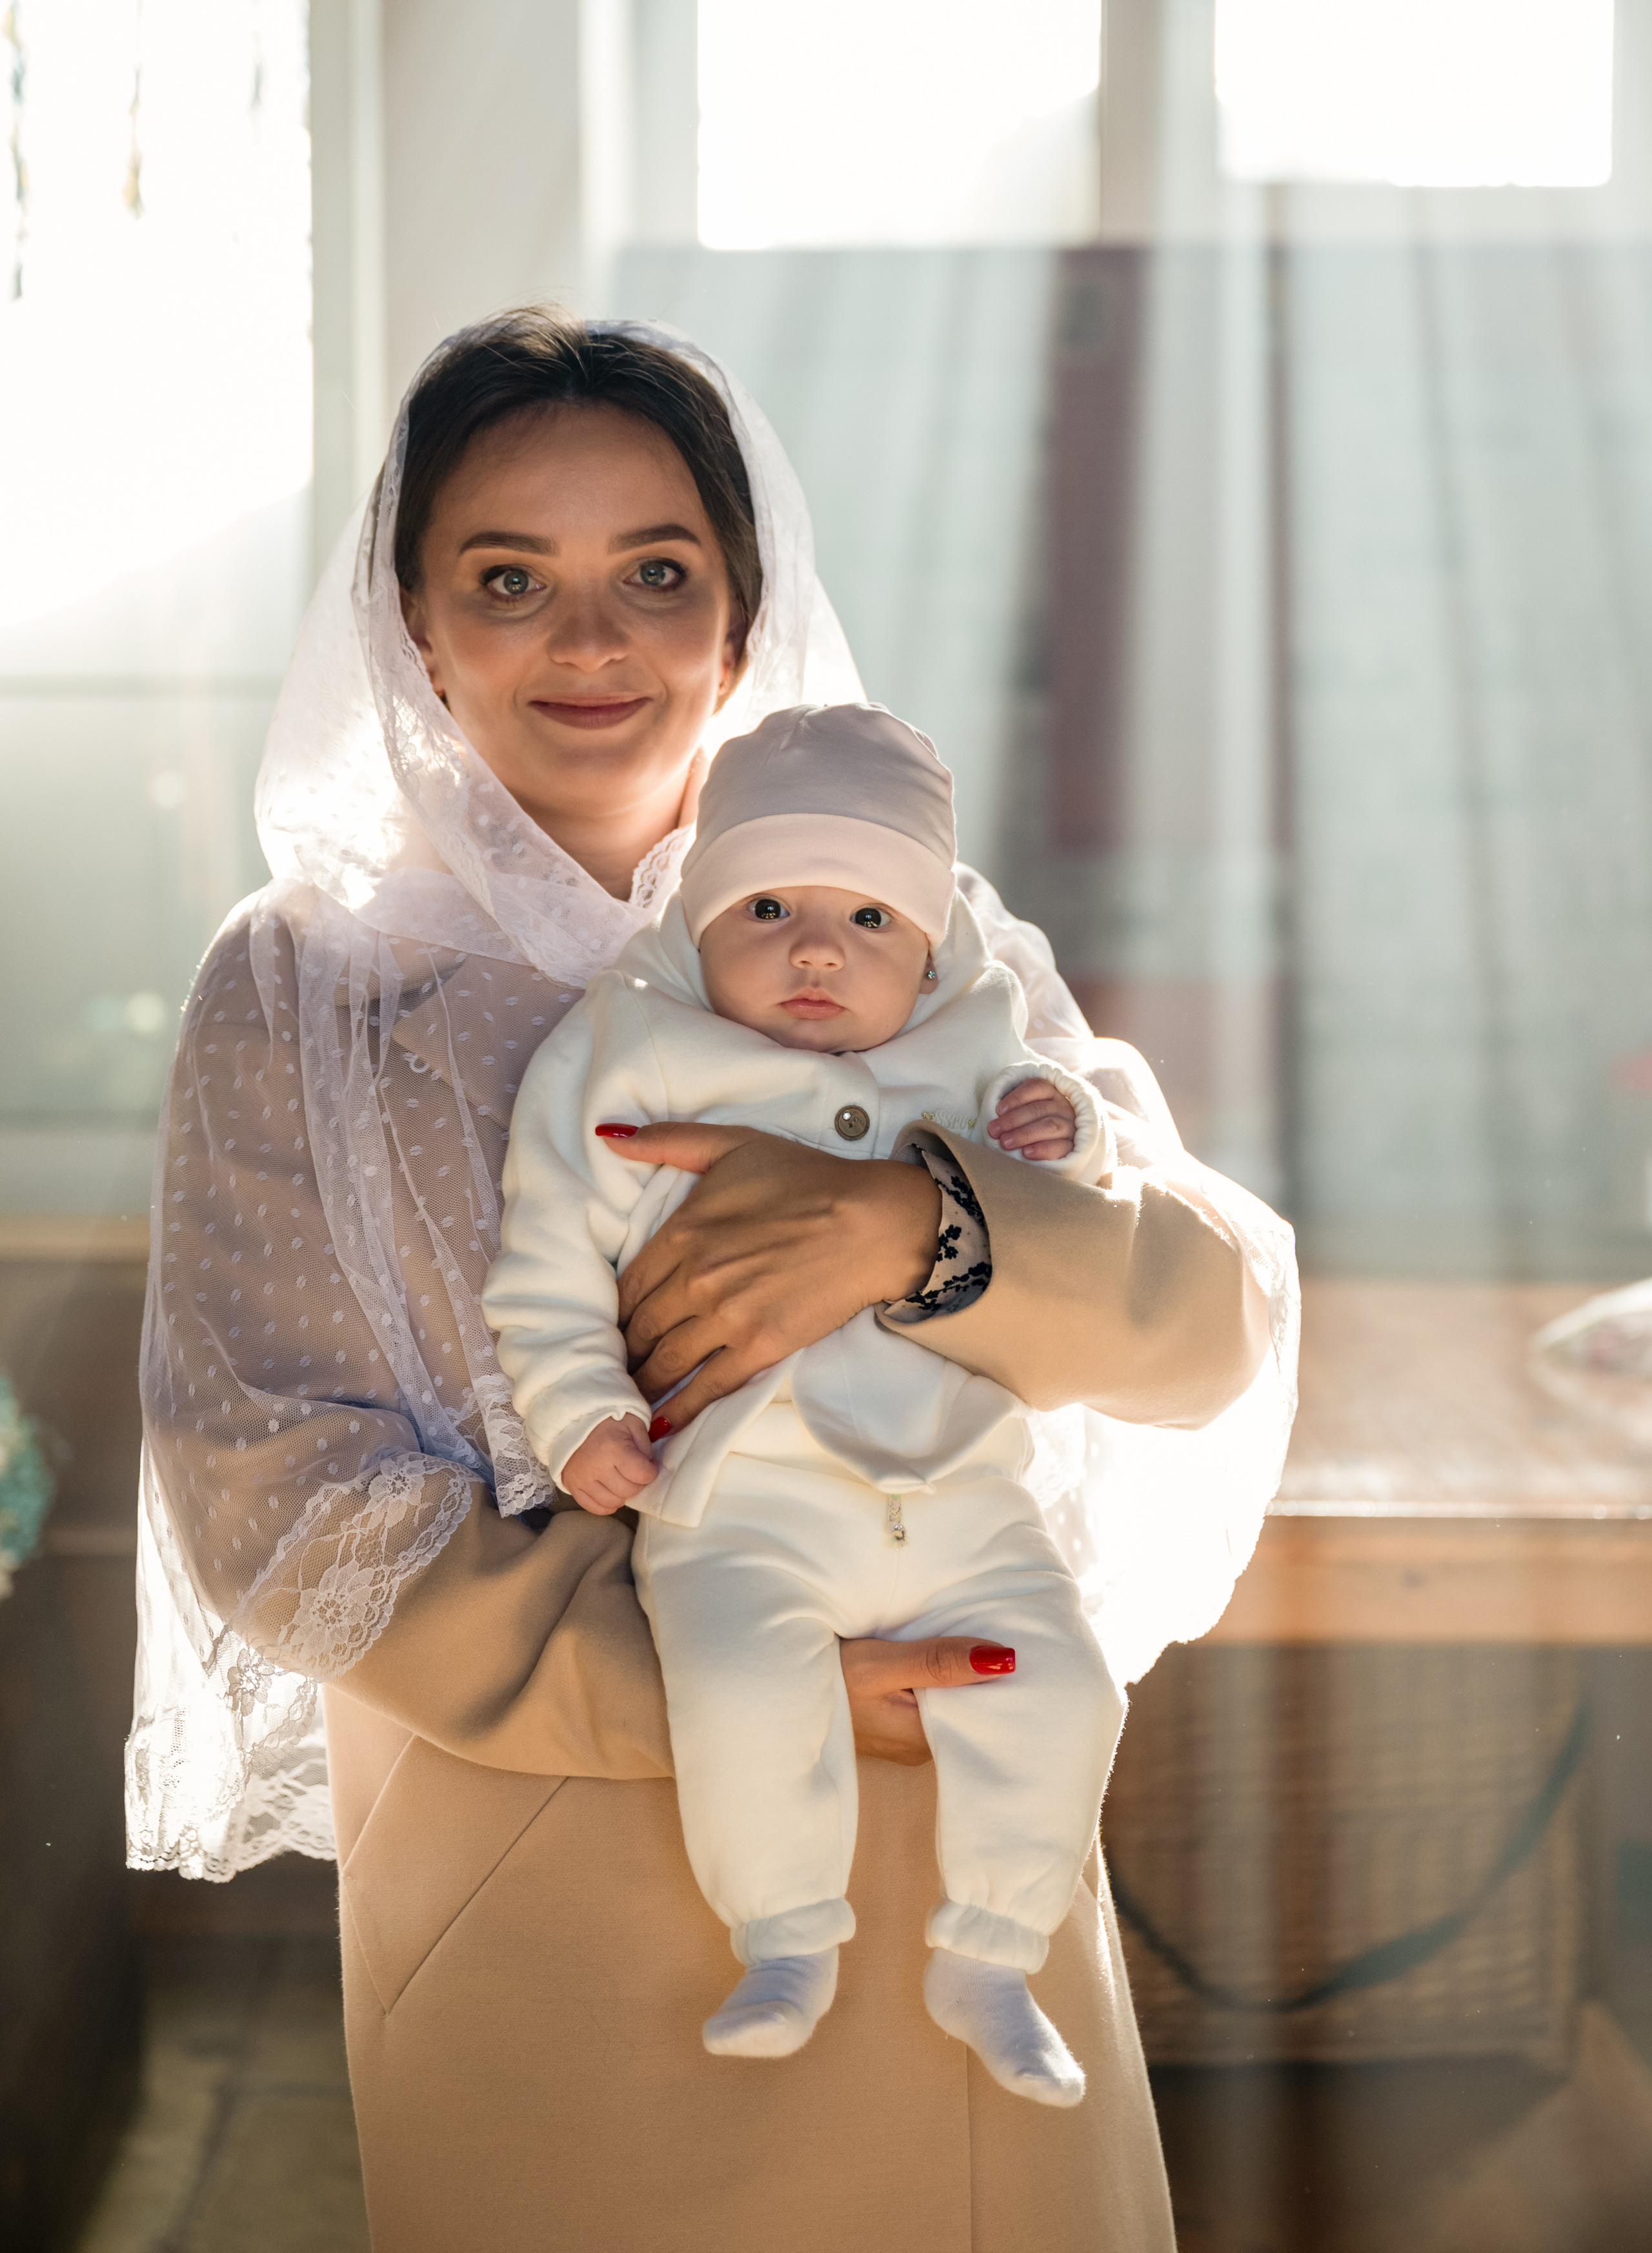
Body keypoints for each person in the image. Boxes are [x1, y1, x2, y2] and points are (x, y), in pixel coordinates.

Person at [128, 305, 1298, 2250]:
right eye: (510, 578)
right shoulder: (304, 991)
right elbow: (269, 1487)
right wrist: (731, 1680)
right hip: (548, 1899)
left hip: (948, 1872)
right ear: (413, 628)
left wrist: (915, 1231)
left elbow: (1207, 1326)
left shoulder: (906, 925)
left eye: (656, 574)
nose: (590, 639)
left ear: (742, 622)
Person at [485, 702, 1118, 2104]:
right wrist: (581, 1411)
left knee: (1066, 1688)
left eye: (870, 920)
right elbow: (547, 1263)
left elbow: (1071, 1216)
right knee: (737, 1687)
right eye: (766, 909)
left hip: (960, 1490)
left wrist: (1062, 1134)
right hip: (743, 1496)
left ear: (930, 952)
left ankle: (993, 1953)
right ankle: (782, 1938)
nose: (818, 950)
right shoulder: (627, 1053)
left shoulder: (978, 1043)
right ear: (699, 919)